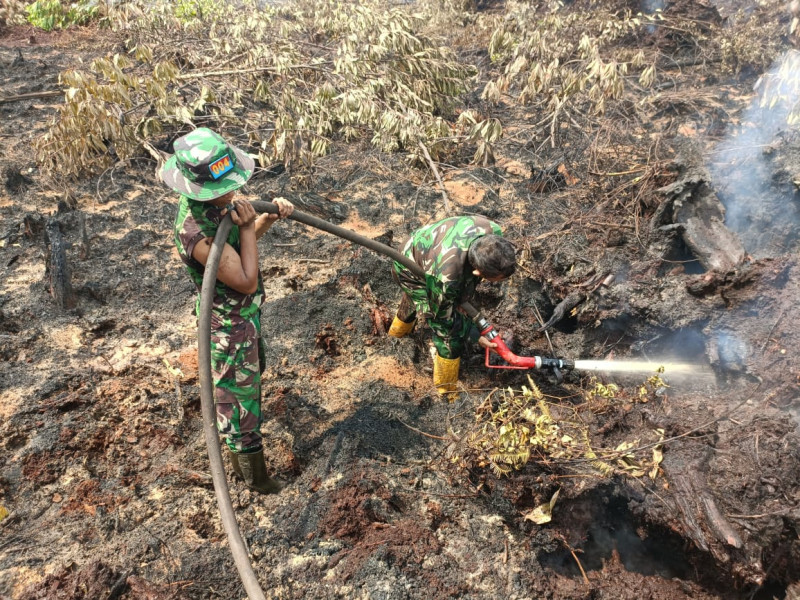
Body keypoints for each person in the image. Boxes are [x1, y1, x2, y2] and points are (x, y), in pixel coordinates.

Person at [161, 127, 294, 495]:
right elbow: (246, 279)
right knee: (239, 406)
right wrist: (250, 224)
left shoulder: (217, 206)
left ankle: (246, 469)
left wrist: (267, 217)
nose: (233, 190)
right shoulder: (197, 234)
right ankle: (256, 480)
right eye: (225, 187)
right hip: (227, 327)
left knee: (249, 385)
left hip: (245, 318)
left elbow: (237, 250)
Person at [388, 215, 517, 398]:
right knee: (448, 336)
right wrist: (474, 335)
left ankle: (395, 333)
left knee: (448, 301)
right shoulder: (446, 278)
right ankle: (446, 391)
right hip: (409, 268)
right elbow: (441, 320)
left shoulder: (494, 232)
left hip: (429, 252)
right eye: (495, 279)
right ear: (477, 271)